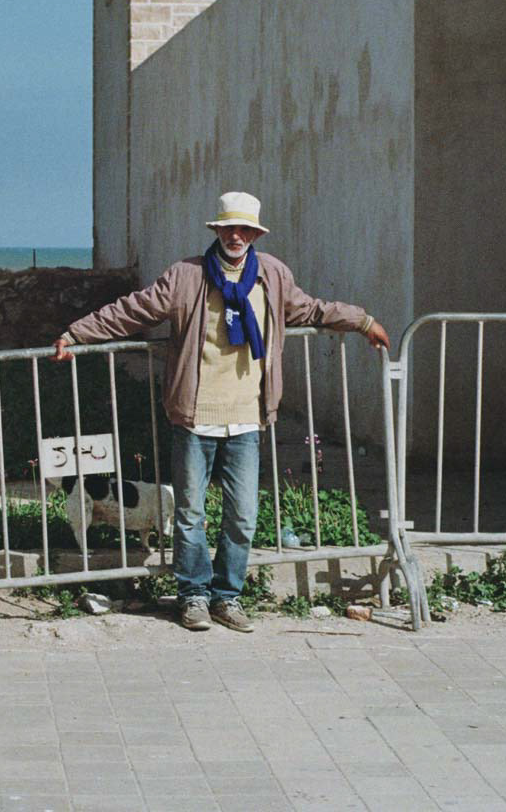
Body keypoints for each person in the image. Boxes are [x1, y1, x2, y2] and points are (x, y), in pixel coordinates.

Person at [52, 191, 389, 632]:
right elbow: (133, 311)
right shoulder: (187, 276)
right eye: (228, 228)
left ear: (254, 234)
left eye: (244, 229)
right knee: (191, 514)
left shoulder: (272, 276)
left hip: (247, 416)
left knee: (243, 515)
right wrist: (77, 334)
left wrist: (362, 321)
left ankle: (226, 597)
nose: (236, 235)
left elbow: (310, 309)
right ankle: (193, 595)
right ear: (217, 231)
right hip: (195, 416)